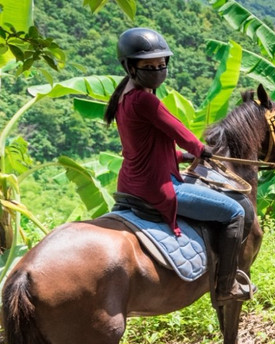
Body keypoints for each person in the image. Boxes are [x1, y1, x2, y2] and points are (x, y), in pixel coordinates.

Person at [103, 27, 252, 301]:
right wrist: (200, 149)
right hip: (156, 187)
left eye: (161, 64)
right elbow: (178, 131)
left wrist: (182, 157)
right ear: (130, 66)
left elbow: (147, 144)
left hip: (130, 183)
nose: (157, 69)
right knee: (234, 212)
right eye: (149, 65)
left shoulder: (123, 96)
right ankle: (226, 286)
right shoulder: (145, 100)